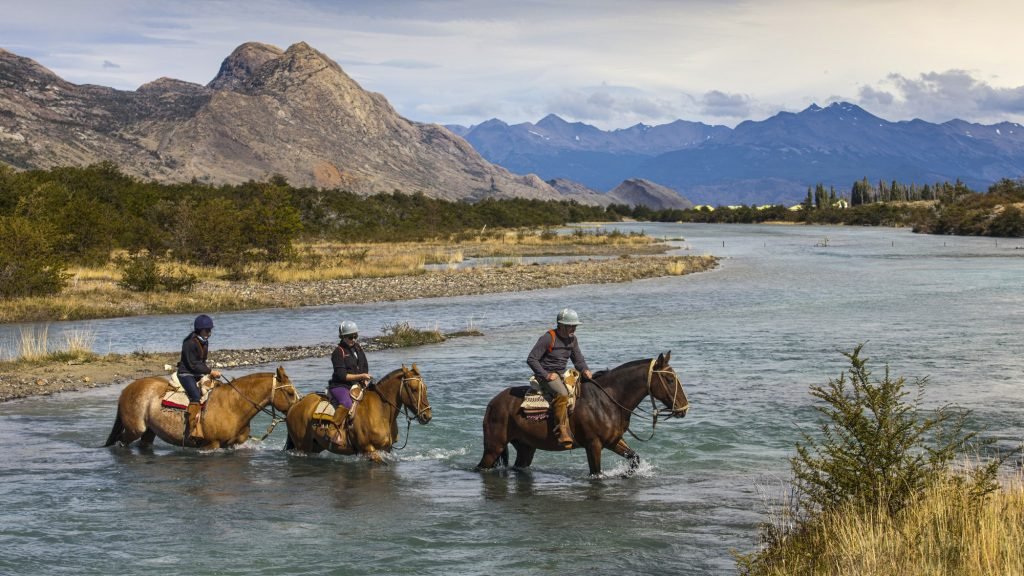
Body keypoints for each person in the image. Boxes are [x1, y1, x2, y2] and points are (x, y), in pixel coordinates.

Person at [526, 307, 593, 447]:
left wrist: (585, 370)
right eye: (570, 326)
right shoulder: (548, 338)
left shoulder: (572, 340)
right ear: (561, 325)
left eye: (575, 326)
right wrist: (545, 375)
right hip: (547, 376)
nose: (573, 329)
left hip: (562, 374)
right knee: (562, 394)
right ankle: (561, 430)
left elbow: (578, 360)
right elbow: (532, 359)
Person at [177, 314, 222, 441]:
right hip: (186, 374)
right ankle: (193, 429)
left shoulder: (204, 341)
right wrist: (210, 371)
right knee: (196, 396)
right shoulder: (189, 343)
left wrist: (208, 373)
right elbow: (193, 364)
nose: (209, 333)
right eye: (207, 330)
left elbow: (200, 362)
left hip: (197, 373)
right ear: (200, 330)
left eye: (210, 330)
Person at [328, 320, 372, 436]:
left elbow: (364, 366)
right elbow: (342, 375)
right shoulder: (338, 352)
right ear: (342, 337)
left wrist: (365, 379)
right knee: (347, 403)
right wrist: (361, 376)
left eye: (355, 336)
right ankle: (333, 431)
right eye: (350, 337)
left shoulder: (358, 348)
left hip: (358, 384)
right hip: (340, 385)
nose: (353, 339)